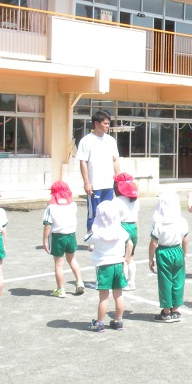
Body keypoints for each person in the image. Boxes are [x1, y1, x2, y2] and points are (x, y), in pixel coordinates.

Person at [76, 110, 120, 243]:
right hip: (95, 184)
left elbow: (115, 160)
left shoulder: (111, 140)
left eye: (108, 124)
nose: (107, 126)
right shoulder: (86, 141)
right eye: (105, 123)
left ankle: (106, 237)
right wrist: (86, 182)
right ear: (96, 123)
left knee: (108, 211)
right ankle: (92, 239)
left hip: (108, 184)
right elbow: (83, 162)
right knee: (94, 212)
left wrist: (118, 179)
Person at [87, 200, 130, 332]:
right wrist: (126, 259)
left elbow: (88, 242)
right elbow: (130, 243)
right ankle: (118, 320)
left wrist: (93, 246)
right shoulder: (120, 230)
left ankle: (100, 322)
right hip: (118, 263)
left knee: (103, 296)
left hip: (103, 266)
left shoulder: (95, 232)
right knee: (118, 294)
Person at [147, 190, 189, 323]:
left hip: (163, 252)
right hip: (177, 250)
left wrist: (150, 258)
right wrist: (184, 254)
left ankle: (166, 312)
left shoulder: (158, 223)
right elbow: (185, 239)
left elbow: (153, 243)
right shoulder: (181, 221)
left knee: (165, 281)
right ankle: (175, 309)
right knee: (178, 280)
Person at [42, 180, 85, 297]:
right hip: (71, 234)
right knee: (72, 259)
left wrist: (45, 240)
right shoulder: (73, 205)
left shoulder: (51, 207)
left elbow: (47, 225)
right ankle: (79, 281)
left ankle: (60, 289)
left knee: (59, 264)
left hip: (58, 236)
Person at [113, 173, 139, 289]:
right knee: (131, 257)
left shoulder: (117, 201)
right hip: (133, 227)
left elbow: (114, 219)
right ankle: (131, 282)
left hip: (122, 227)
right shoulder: (136, 200)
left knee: (121, 257)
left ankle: (123, 282)